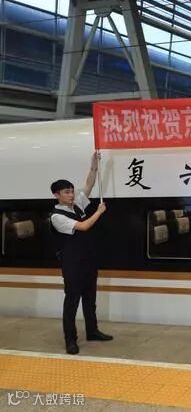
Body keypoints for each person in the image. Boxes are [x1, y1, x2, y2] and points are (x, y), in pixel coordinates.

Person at [50, 152, 112, 355]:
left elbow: (89, 184)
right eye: (66, 192)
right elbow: (84, 226)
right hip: (72, 264)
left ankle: (92, 331)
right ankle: (70, 340)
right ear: (57, 195)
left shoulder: (77, 205)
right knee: (72, 301)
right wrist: (98, 212)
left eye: (71, 191)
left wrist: (94, 166)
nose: (71, 194)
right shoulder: (57, 217)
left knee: (90, 299)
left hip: (88, 260)